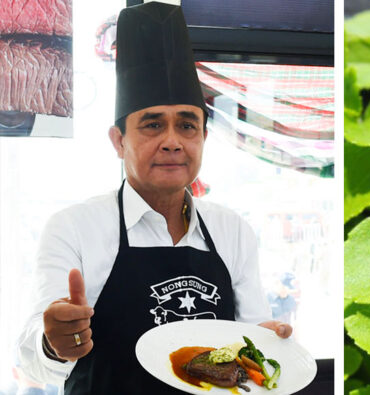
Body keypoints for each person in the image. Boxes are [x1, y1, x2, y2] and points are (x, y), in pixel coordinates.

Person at [16, 2, 291, 394]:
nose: (173, 141)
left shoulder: (233, 230)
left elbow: (250, 338)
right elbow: (32, 358)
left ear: (203, 138)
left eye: (186, 124)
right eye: (153, 125)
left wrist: (266, 344)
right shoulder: (74, 228)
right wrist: (53, 342)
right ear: (119, 141)